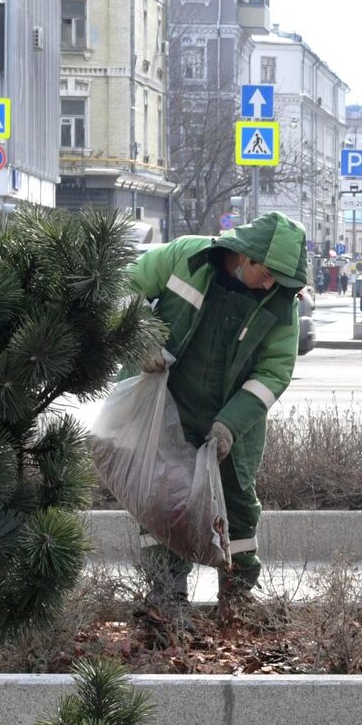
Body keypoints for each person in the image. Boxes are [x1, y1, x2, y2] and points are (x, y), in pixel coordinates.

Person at [126, 210, 309, 607]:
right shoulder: (185, 257)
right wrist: (139, 340)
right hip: (166, 411)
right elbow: (125, 288)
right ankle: (165, 600)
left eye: (281, 280)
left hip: (229, 428)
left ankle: (238, 601)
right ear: (246, 256)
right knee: (163, 505)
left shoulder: (279, 304)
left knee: (238, 510)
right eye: (268, 273)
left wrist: (230, 425)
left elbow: (274, 372)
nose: (271, 284)